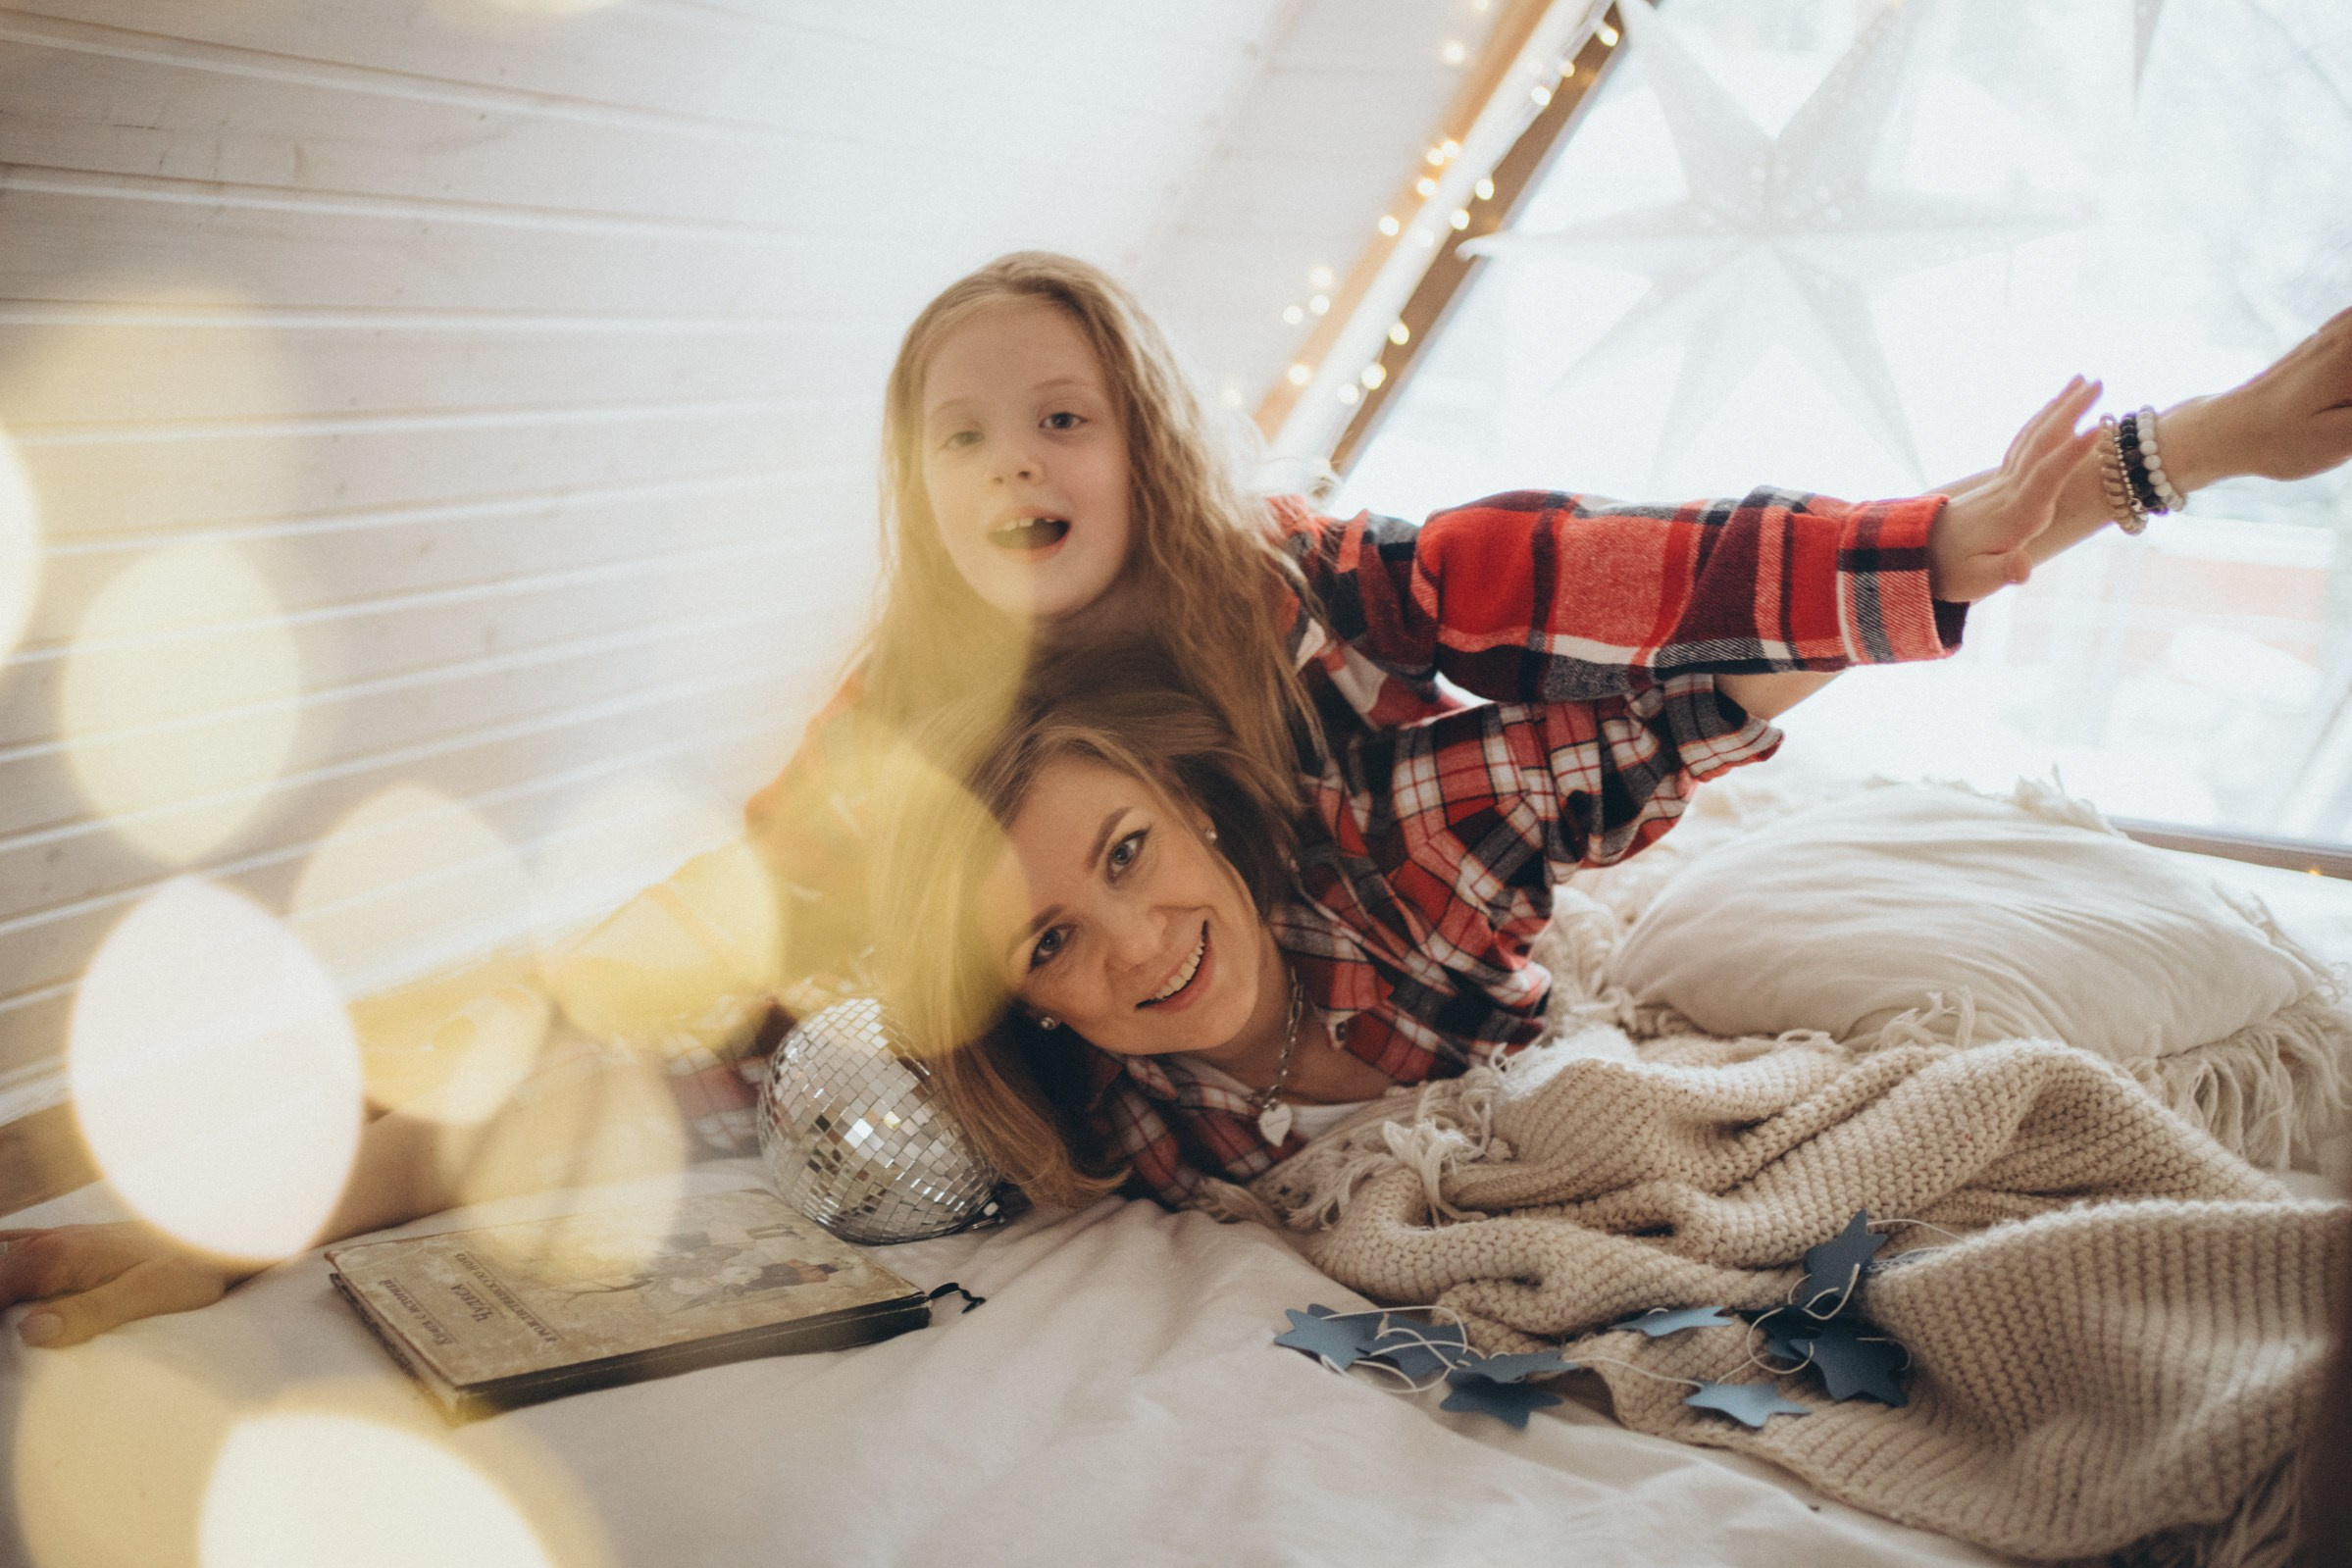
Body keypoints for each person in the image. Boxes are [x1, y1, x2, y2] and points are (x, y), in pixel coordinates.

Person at [6, 259, 2349, 1343]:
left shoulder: (1350, 622)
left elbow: (1661, 608)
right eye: (959, 436)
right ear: (914, 491)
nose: (1019, 467)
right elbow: (670, 967)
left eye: (1058, 414)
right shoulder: (904, 743)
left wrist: (2160, 462)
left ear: (1132, 422)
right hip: (1063, 1059)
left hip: (1427, 930)